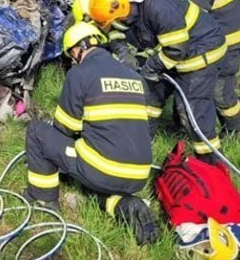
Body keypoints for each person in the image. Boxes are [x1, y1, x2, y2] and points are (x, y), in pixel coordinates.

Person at [24, 22, 158, 245]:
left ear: (78, 49)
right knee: (91, 170)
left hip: (103, 170)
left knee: (37, 132)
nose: (72, 59)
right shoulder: (134, 77)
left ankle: (43, 200)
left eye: (71, 55)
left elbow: (65, 128)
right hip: (139, 175)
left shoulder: (79, 73)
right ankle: (123, 205)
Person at [88, 0, 227, 162]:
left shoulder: (156, 6)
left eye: (117, 20)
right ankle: (141, 143)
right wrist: (122, 51)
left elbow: (176, 48)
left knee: (192, 110)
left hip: (200, 51)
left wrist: (150, 67)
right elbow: (114, 30)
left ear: (124, 8)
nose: (117, 23)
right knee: (149, 97)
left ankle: (212, 162)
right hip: (171, 53)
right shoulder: (126, 7)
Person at [153, 0, 240, 134]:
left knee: (220, 92)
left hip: (228, 43)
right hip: (214, 37)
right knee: (187, 80)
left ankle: (233, 132)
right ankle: (181, 128)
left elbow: (191, 14)